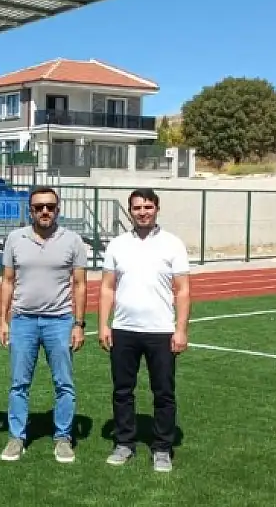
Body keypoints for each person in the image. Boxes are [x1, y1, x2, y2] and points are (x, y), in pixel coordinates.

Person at [98, 187, 191, 473]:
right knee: (122, 391)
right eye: (137, 208)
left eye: (148, 207)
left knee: (163, 392)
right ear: (130, 211)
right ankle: (125, 443)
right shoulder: (117, 245)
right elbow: (106, 287)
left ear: (156, 209)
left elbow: (183, 290)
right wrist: (103, 324)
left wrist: (181, 330)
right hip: (124, 330)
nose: (143, 212)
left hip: (161, 331)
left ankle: (162, 447)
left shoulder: (173, 244)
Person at [0, 186, 88, 464]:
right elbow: (8, 281)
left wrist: (79, 324)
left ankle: (63, 438)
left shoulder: (73, 240)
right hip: (23, 321)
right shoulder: (15, 238)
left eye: (50, 206)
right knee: (18, 384)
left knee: (64, 384)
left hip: (60, 321)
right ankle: (17, 437)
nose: (45, 211)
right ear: (30, 210)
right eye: (39, 207)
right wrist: (3, 320)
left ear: (57, 209)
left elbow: (80, 284)